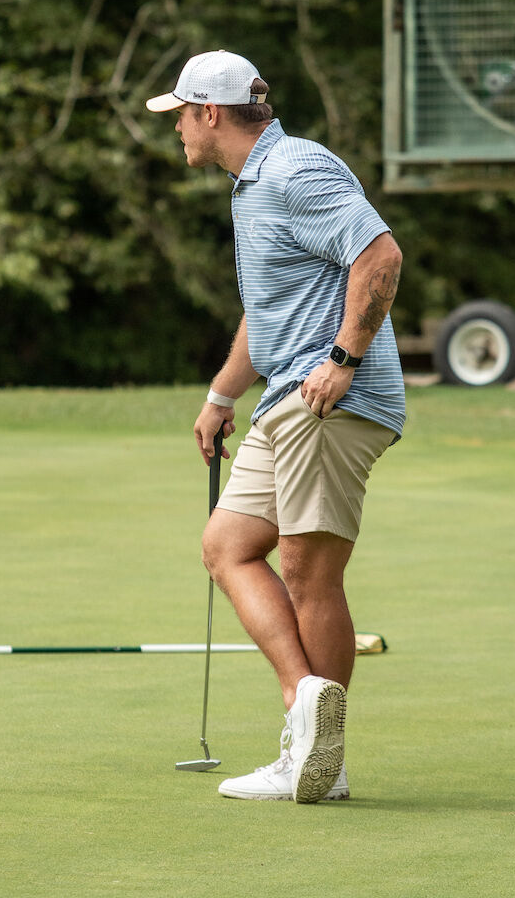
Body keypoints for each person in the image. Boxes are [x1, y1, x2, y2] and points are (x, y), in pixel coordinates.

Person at [146, 49, 404, 804]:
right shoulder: (249, 186)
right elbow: (268, 317)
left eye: (181, 118)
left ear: (209, 113)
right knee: (227, 546)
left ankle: (320, 763)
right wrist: (221, 395)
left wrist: (342, 360)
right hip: (285, 400)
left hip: (328, 401)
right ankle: (304, 710)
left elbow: (380, 255)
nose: (178, 134)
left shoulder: (295, 170)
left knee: (305, 570)